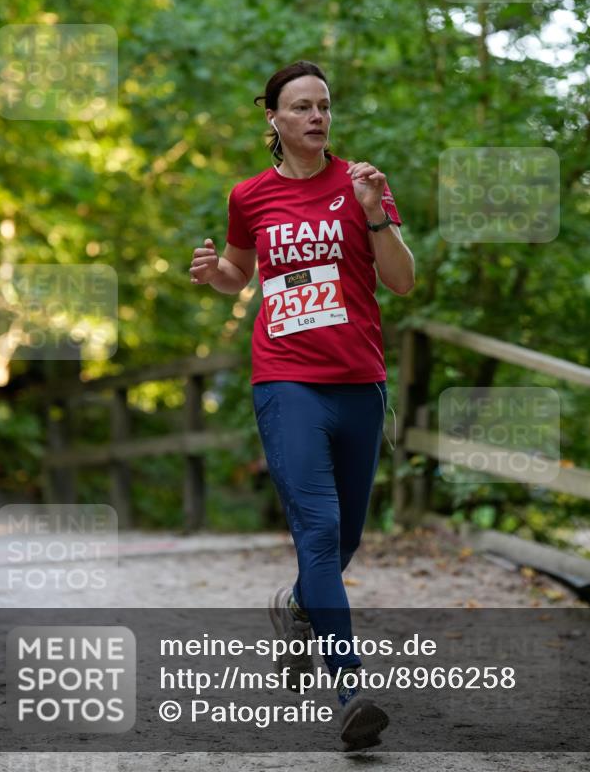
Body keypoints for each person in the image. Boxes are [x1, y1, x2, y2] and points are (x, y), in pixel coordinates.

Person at [189, 60, 415, 750]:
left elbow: (401, 282)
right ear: (274, 120)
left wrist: (376, 215)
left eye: (323, 105)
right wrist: (215, 277)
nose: (316, 116)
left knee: (345, 539)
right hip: (285, 382)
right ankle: (349, 688)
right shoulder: (249, 196)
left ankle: (296, 607)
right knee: (317, 532)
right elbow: (238, 271)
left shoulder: (361, 186)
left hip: (359, 381)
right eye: (300, 107)